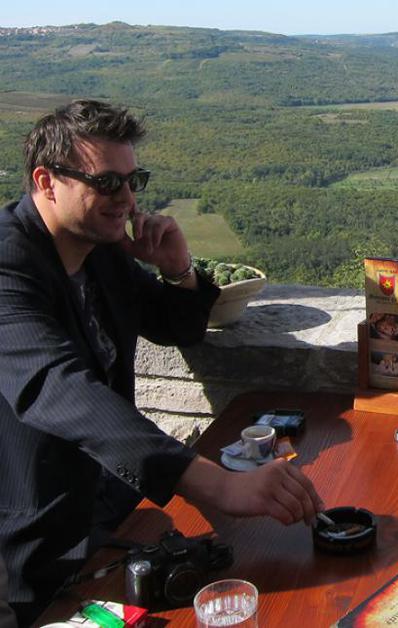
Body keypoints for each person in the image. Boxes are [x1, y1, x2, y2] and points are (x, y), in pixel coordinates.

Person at [0, 100, 323, 626]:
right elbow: (59, 389)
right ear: (46, 181)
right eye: (106, 183)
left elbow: (176, 327)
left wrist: (178, 270)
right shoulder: (9, 265)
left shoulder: (97, 250)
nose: (126, 200)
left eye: (133, 181)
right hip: (35, 547)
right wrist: (218, 485)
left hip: (115, 520)